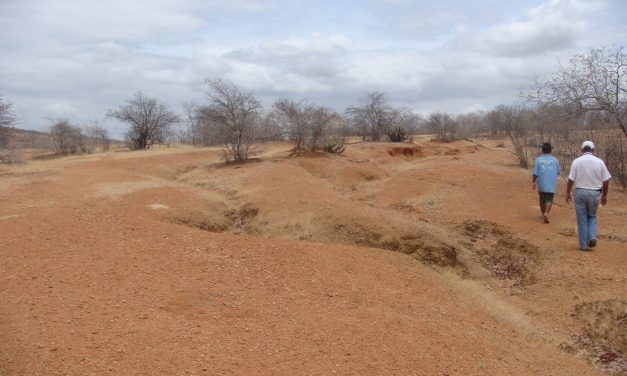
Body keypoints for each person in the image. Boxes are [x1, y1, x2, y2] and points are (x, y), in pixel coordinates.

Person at [565, 141, 612, 251]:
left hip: (580, 192)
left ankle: (583, 245)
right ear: (593, 150)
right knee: (592, 216)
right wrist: (604, 195)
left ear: (582, 150)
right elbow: (606, 181)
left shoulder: (577, 161)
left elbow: (571, 179)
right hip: (595, 193)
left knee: (582, 219)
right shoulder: (599, 162)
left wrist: (568, 192)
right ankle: (592, 236)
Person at [532, 142, 561, 223]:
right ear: (550, 150)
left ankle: (542, 213)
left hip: (541, 182)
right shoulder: (555, 160)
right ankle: (546, 213)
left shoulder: (538, 160)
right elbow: (558, 172)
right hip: (551, 182)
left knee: (542, 197)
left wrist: (533, 182)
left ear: (542, 150)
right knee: (549, 198)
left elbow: (535, 173)